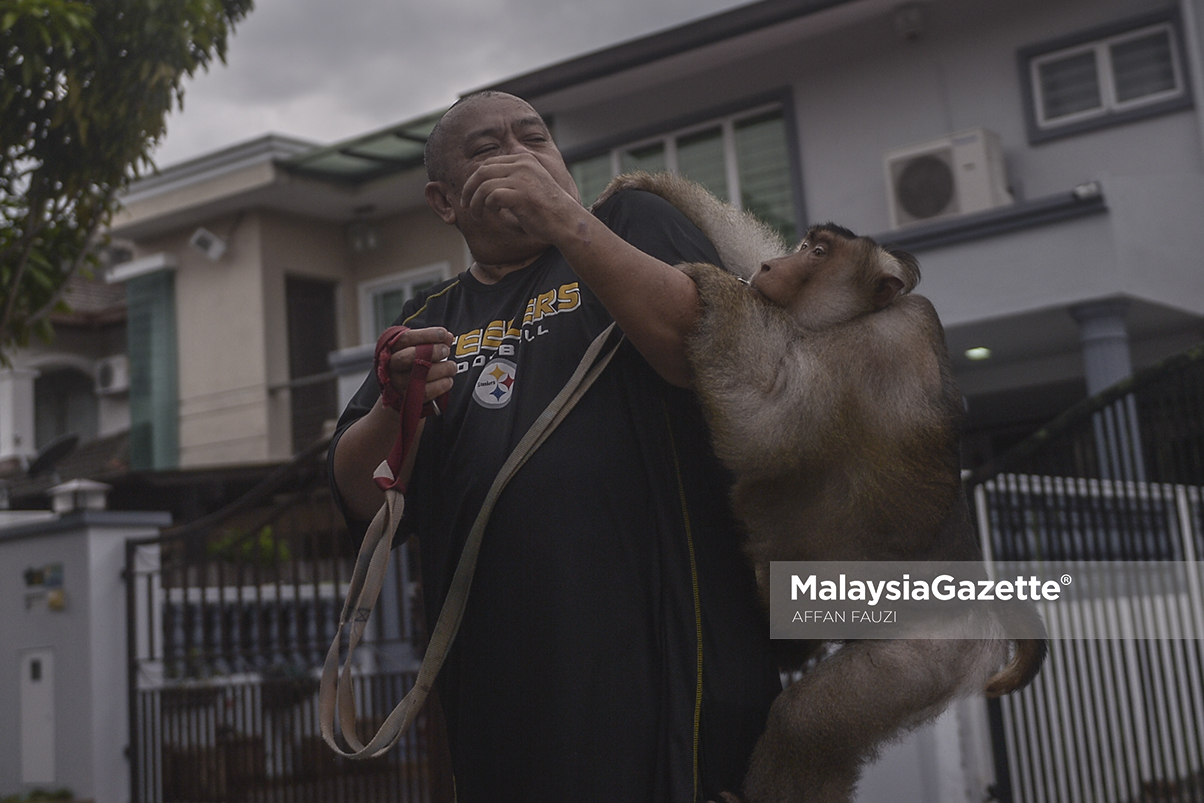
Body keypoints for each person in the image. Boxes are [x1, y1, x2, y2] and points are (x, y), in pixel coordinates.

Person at [329, 91, 781, 803]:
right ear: (444, 202)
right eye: (486, 149)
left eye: (534, 137)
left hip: (677, 683)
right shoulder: (429, 321)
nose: (518, 153)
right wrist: (394, 403)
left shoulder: (631, 225)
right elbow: (361, 491)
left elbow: (699, 351)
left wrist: (567, 220)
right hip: (508, 714)